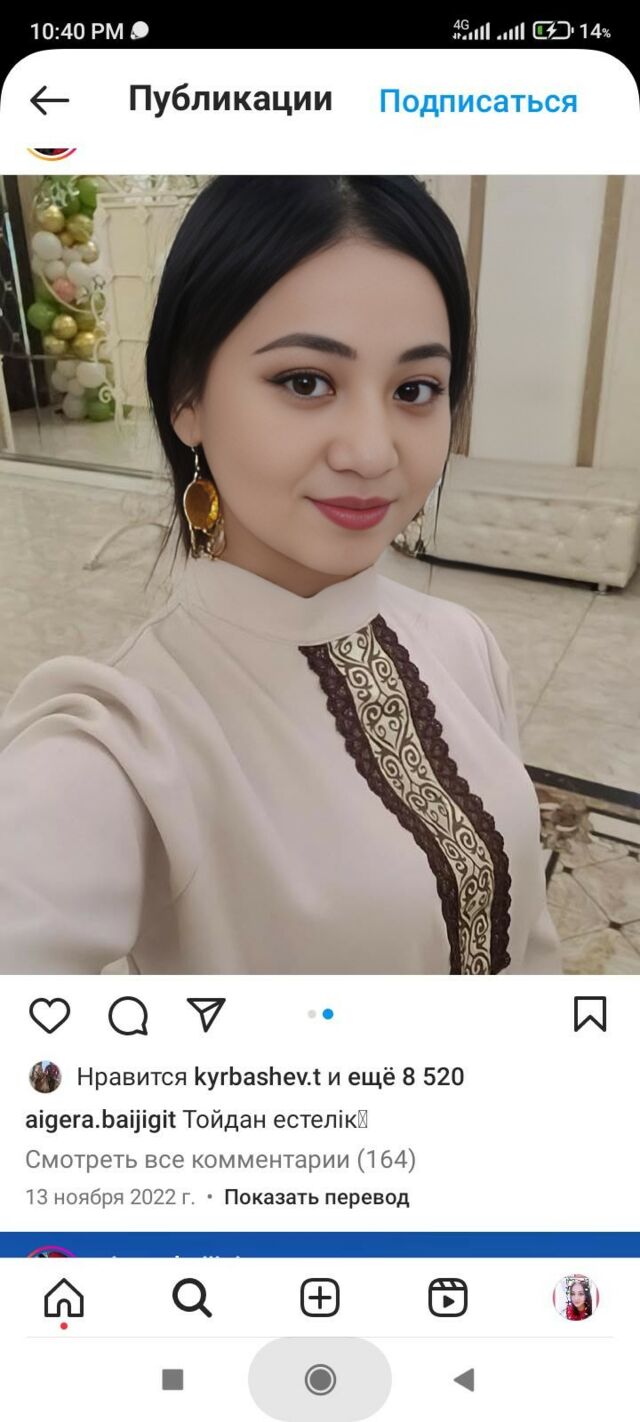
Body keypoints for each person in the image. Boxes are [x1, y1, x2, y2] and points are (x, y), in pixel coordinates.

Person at [0, 175, 561, 975]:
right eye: (306, 382)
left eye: (415, 390)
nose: (371, 451)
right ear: (186, 397)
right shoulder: (122, 740)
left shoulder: (464, 647)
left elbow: (532, 943)